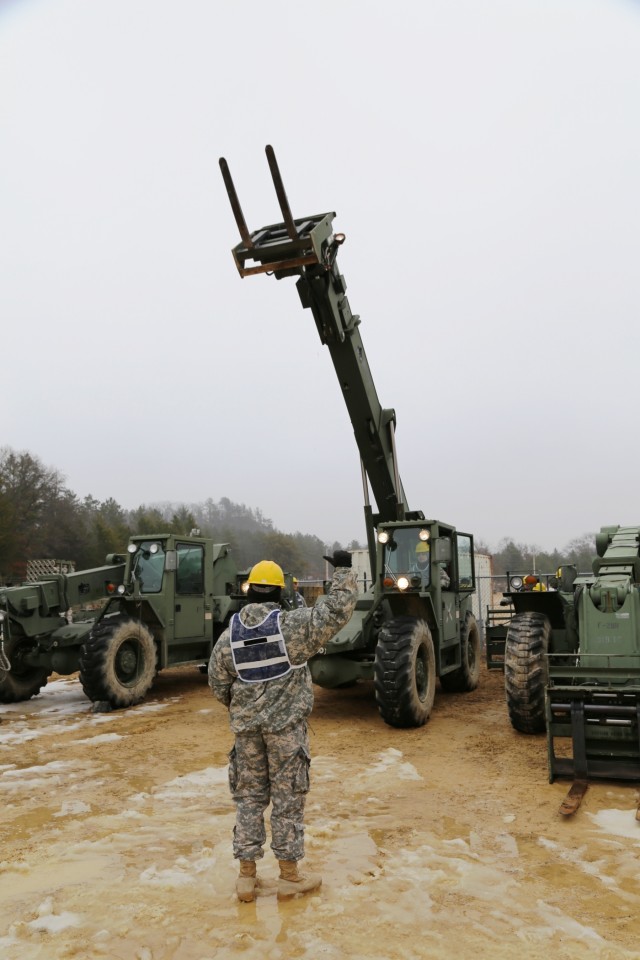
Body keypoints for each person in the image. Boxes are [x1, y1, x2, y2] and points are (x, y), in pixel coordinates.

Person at [208, 550, 357, 902]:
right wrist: (344, 570)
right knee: (287, 799)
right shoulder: (292, 627)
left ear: (248, 592)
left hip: (246, 734)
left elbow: (217, 682)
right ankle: (289, 877)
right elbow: (336, 611)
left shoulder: (229, 636)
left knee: (248, 798)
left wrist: (243, 708)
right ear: (279, 593)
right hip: (286, 733)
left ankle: (246, 877)